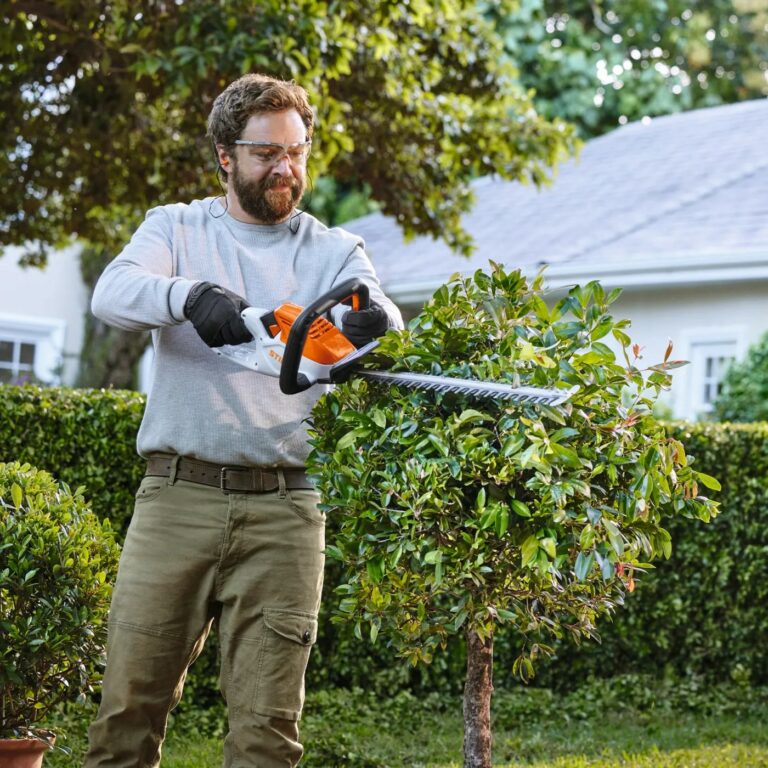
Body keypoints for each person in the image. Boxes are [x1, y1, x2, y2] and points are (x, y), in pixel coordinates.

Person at [85, 73, 403, 768]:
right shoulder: (177, 228)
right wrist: (188, 295)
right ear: (226, 157)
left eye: (296, 151)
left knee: (266, 735)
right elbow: (112, 294)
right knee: (126, 716)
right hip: (177, 499)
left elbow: (379, 309)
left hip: (287, 511)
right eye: (266, 154)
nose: (285, 168)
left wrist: (367, 324)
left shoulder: (335, 250)